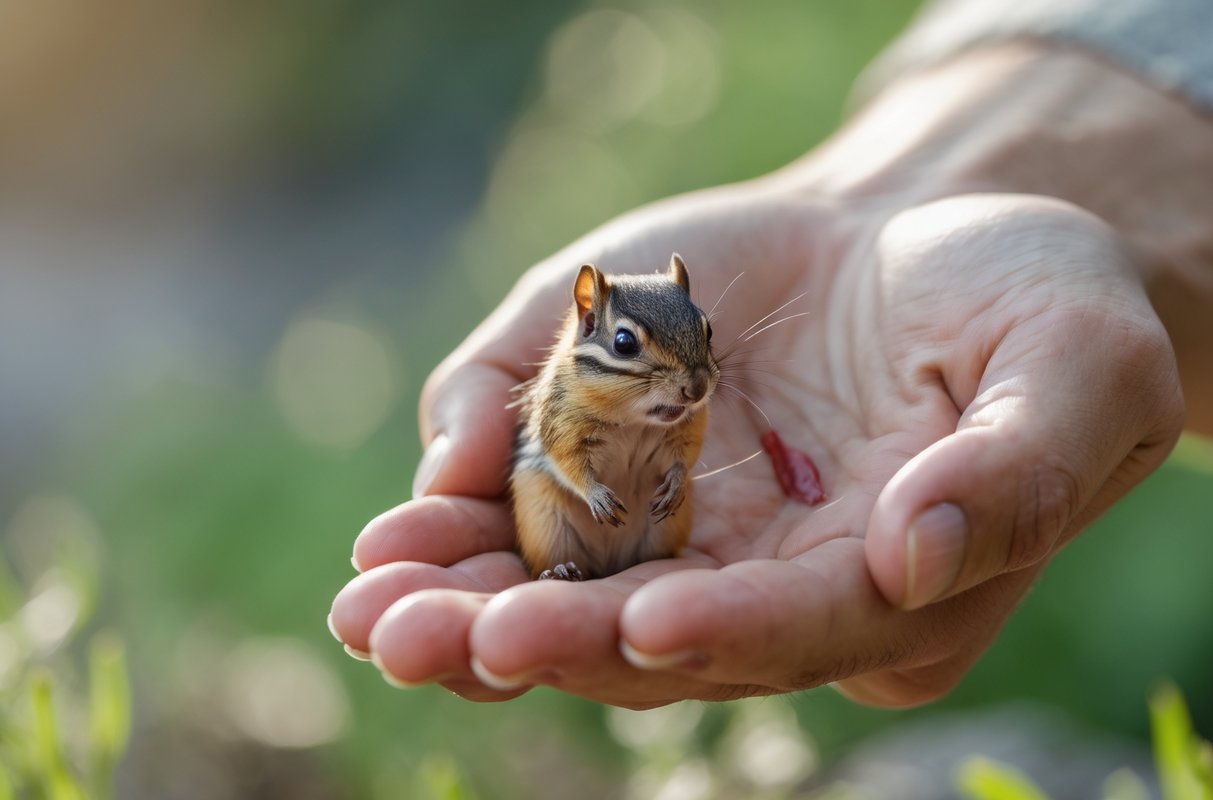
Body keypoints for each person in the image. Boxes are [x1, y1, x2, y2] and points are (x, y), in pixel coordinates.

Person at [329, 0, 1213, 708]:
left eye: (699, 349)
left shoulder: (683, 391)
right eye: (638, 350)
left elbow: (682, 439)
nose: (691, 382)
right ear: (589, 321)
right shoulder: (572, 392)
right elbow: (559, 451)